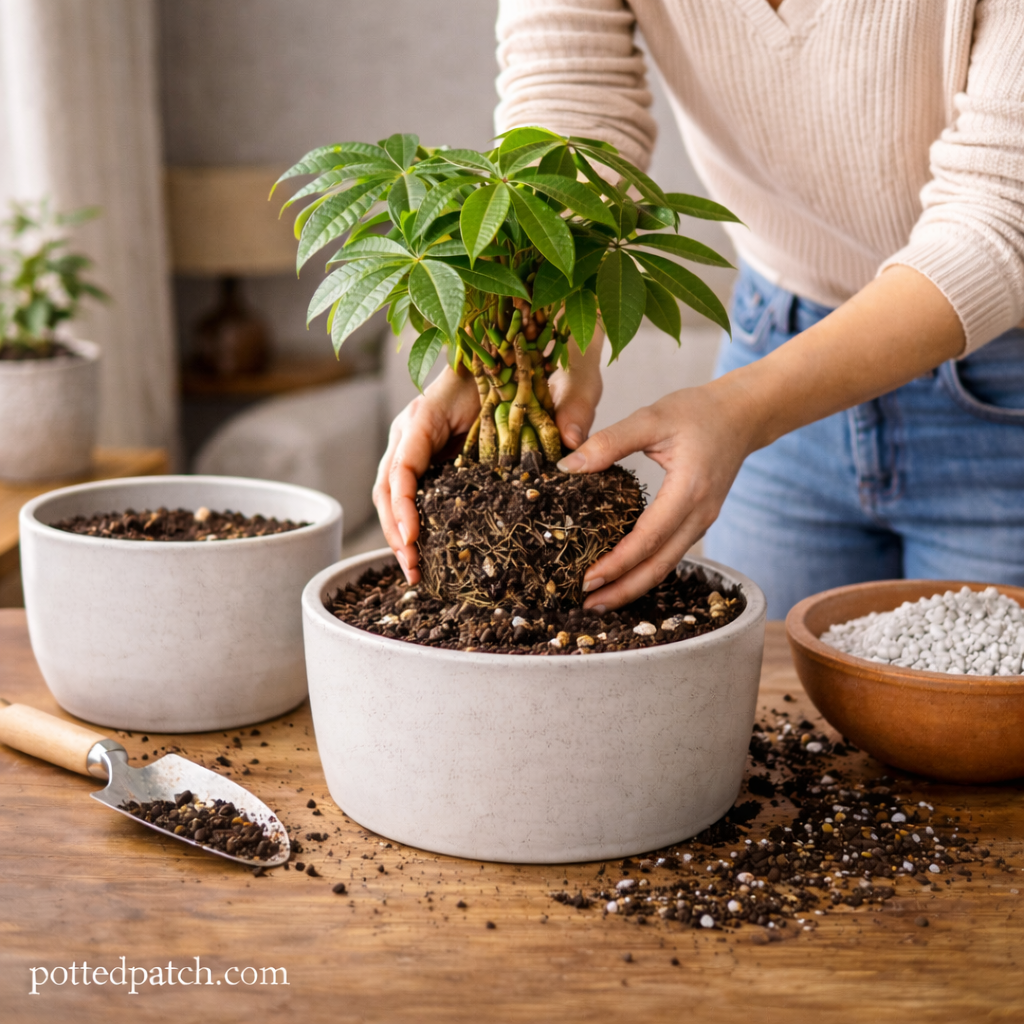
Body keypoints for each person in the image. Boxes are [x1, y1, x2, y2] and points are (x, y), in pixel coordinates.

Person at [374, 0, 1024, 619]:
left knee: (985, 724)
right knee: (769, 695)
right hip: (776, 332)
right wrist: (510, 355)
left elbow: (1001, 217)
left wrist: (740, 411)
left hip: (1001, 388)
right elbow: (571, 116)